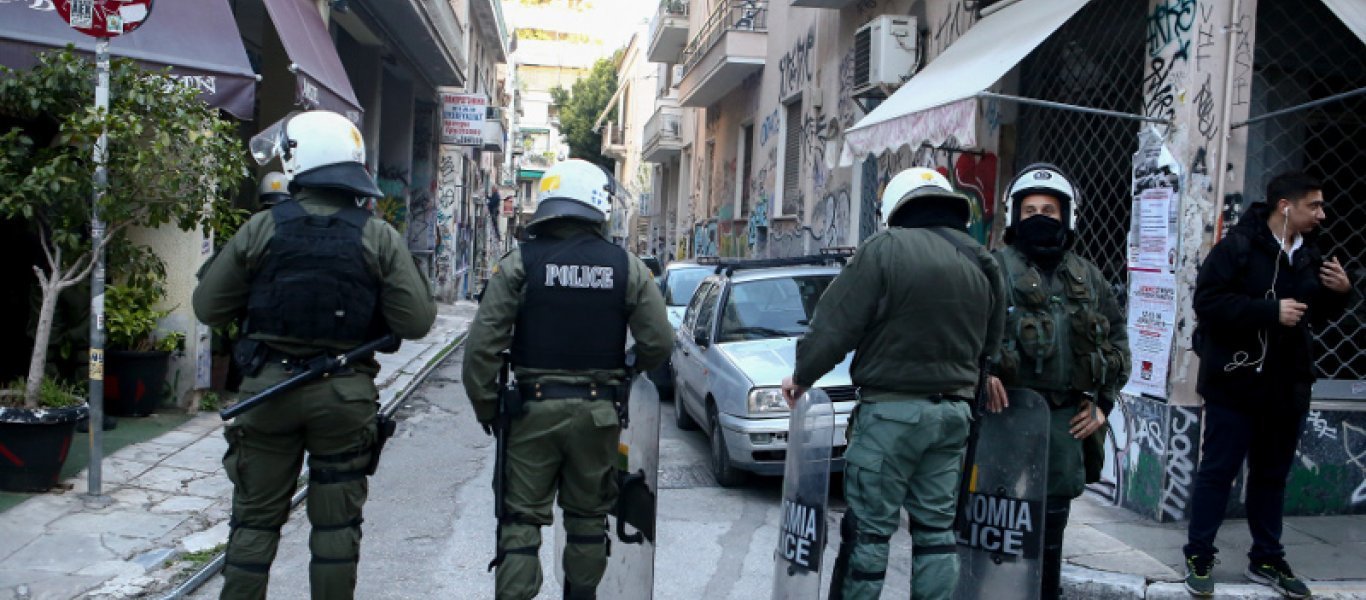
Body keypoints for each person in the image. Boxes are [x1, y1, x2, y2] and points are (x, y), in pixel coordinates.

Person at [193, 110, 437, 600]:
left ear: (297, 160)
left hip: (267, 393)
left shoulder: (261, 228)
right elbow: (416, 321)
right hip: (344, 398)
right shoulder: (378, 236)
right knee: (336, 530)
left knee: (253, 524)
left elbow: (208, 307)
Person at [782, 167, 1006, 600]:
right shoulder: (982, 259)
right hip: (953, 417)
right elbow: (991, 345)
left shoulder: (884, 249)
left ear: (895, 208)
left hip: (889, 416)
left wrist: (802, 376)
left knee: (868, 534)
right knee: (936, 532)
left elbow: (835, 325)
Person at [461, 158, 672, 600]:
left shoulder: (519, 265)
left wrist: (489, 409)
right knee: (588, 520)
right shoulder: (627, 267)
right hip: (598, 416)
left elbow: (481, 350)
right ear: (598, 206)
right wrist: (629, 369)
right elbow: (658, 342)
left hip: (532, 413)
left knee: (520, 521)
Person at [1183, 171, 1352, 599]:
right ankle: (1199, 555)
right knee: (1218, 472)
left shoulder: (1309, 254)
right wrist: (1268, 311)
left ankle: (1267, 558)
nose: (1322, 214)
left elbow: (1315, 316)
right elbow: (1207, 302)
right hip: (1235, 385)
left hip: (1286, 387)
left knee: (1271, 477)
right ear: (1285, 206)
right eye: (1314, 205)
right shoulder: (1238, 247)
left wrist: (1340, 293)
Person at [985, 163, 1130, 599]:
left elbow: (1117, 342)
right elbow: (961, 334)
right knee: (994, 524)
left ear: (1067, 216)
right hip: (1004, 420)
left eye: (1049, 210)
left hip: (1064, 423)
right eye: (1030, 210)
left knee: (1050, 532)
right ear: (1014, 216)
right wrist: (982, 375)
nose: (1040, 218)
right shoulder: (992, 269)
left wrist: (1103, 403)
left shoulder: (1088, 276)